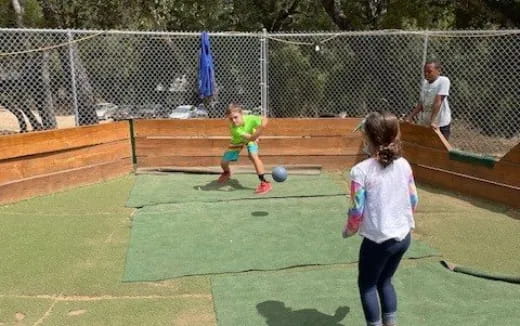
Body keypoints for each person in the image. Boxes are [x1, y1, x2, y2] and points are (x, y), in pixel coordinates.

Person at [343, 111, 419, 326]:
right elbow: (414, 200)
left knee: (367, 285)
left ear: (368, 138)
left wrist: (348, 231)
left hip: (377, 241)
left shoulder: (360, 171)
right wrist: (398, 219)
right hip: (403, 238)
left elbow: (356, 212)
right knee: (385, 281)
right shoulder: (404, 164)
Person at [218, 104, 272, 194]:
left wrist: (262, 125)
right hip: (238, 140)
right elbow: (251, 138)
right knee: (223, 162)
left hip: (250, 138)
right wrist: (258, 131)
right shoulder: (234, 128)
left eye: (236, 117)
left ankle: (264, 183)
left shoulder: (251, 118)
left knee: (253, 156)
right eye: (231, 119)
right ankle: (227, 172)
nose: (234, 121)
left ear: (241, 114)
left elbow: (264, 119)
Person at [405, 60, 452, 140]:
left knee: (440, 149)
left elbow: (438, 101)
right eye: (425, 72)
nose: (426, 74)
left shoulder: (443, 81)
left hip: (440, 123)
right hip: (426, 122)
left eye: (429, 72)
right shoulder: (425, 83)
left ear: (439, 71)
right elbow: (421, 103)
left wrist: (433, 121)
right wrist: (410, 117)